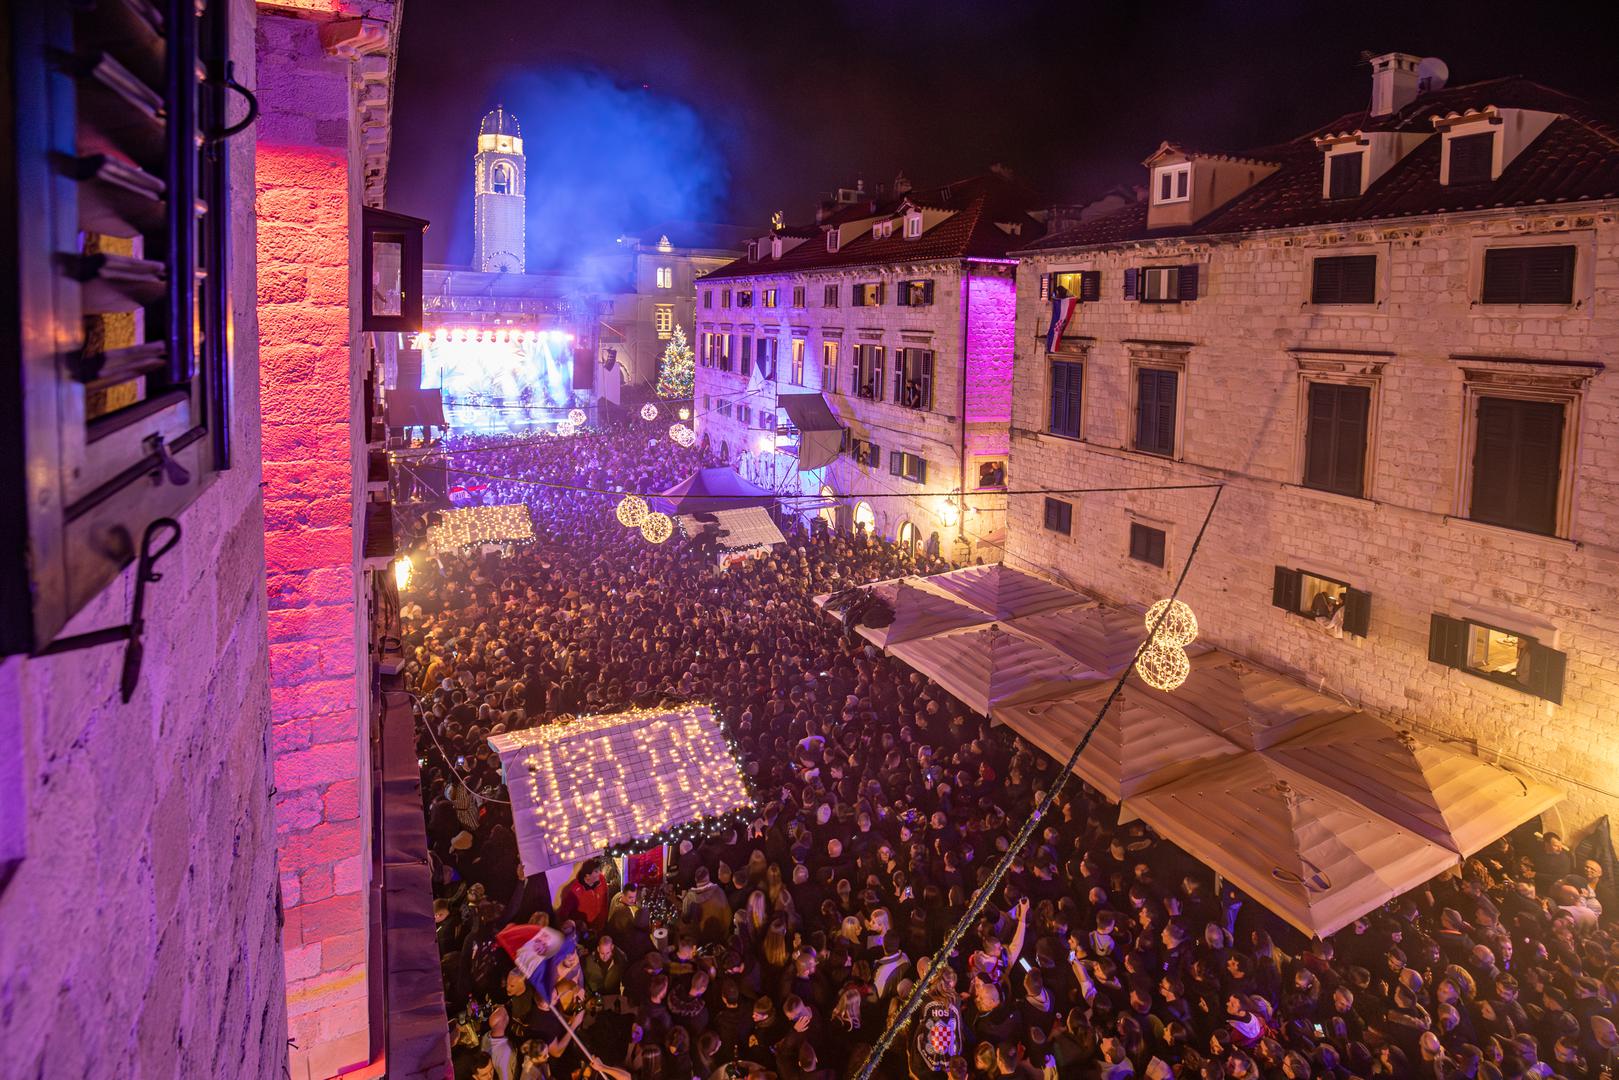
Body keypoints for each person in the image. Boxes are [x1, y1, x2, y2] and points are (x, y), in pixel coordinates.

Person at [557, 858, 612, 936]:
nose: (600, 873)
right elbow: (563, 914)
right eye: (596, 871)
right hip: (584, 932)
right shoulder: (575, 891)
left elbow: (605, 901)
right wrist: (578, 925)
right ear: (587, 875)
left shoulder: (602, 880)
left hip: (600, 928)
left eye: (599, 870)